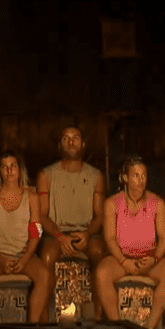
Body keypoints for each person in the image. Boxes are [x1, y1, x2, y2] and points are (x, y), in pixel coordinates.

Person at [93, 156, 165, 329]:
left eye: (144, 175)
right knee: (102, 273)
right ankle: (118, 327)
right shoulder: (112, 203)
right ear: (125, 178)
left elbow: (163, 239)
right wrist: (124, 261)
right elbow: (109, 238)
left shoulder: (157, 203)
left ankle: (149, 328)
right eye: (136, 176)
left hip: (148, 258)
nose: (141, 180)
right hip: (121, 259)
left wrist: (154, 259)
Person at [37, 126, 107, 318]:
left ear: (83, 144)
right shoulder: (46, 175)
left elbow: (99, 216)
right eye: (66, 138)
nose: (71, 142)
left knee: (98, 254)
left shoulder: (96, 176)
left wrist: (87, 233)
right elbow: (42, 215)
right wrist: (60, 236)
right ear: (60, 145)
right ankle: (45, 318)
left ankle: (96, 316)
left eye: (75, 138)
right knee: (47, 257)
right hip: (56, 233)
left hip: (86, 232)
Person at [0, 150, 51, 324]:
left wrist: (25, 257)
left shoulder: (31, 197)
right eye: (5, 167)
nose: (9, 171)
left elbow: (36, 231)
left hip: (24, 254)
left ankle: (32, 327)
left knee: (44, 275)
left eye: (13, 166)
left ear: (20, 169)